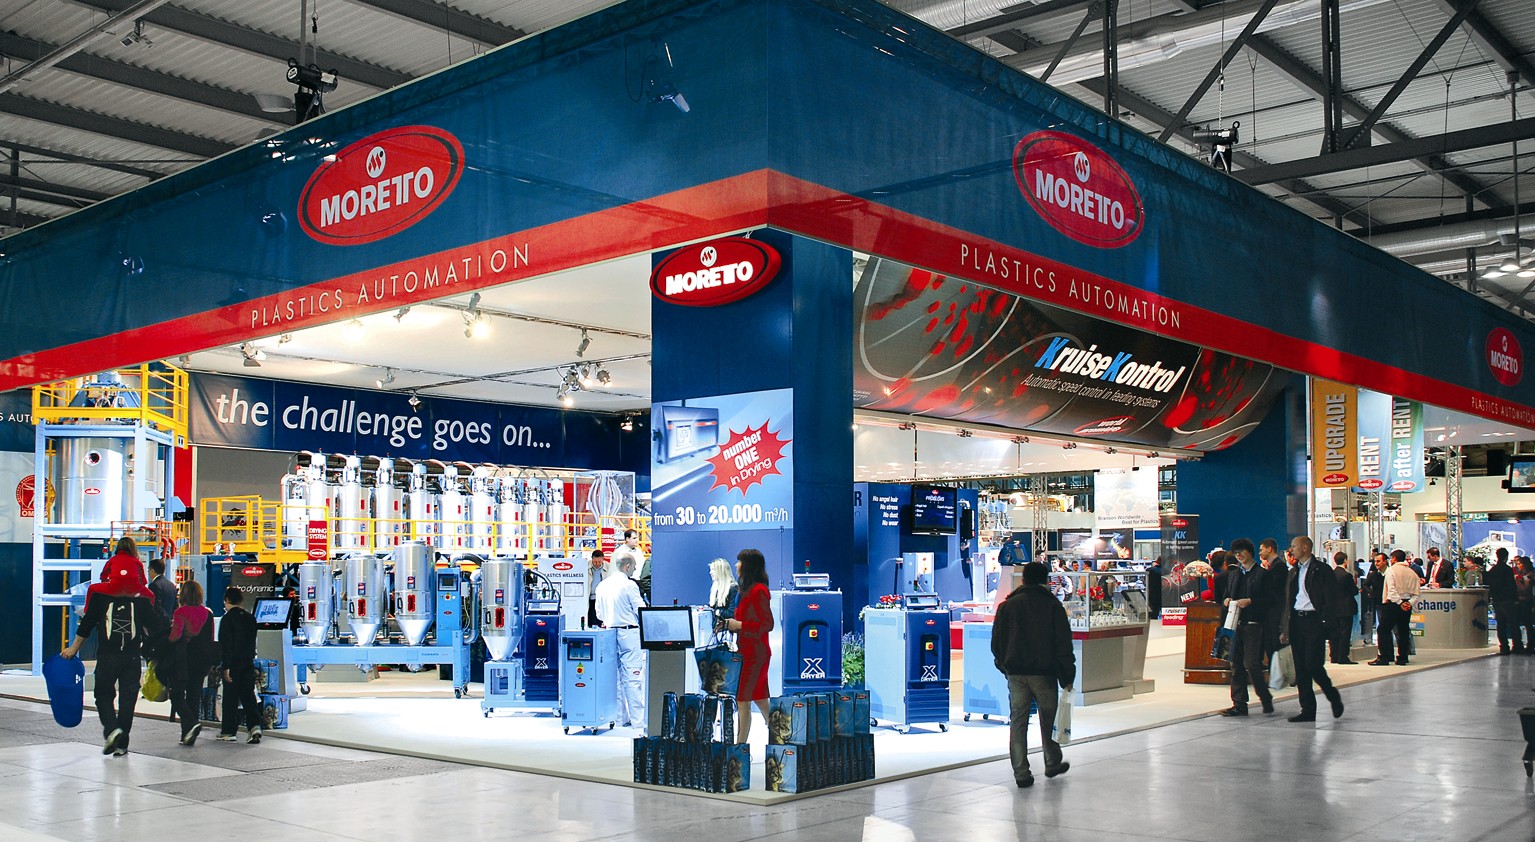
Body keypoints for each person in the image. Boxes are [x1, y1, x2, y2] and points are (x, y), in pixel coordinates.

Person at [60, 536, 167, 757]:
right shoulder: (141, 600)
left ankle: (112, 729)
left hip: (107, 655)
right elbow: (157, 627)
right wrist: (157, 651)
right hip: (132, 656)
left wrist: (73, 649)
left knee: (102, 694)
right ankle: (122, 744)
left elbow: (87, 625)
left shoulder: (100, 597)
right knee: (128, 699)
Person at [991, 561, 1074, 788]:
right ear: (1046, 580)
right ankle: (1052, 762)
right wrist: (1067, 676)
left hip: (1016, 673)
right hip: (1044, 673)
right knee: (1048, 720)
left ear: (1023, 580)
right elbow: (1063, 644)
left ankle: (1021, 773)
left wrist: (1005, 666)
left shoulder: (1007, 606)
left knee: (1018, 722)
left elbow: (997, 642)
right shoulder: (1052, 606)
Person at [1278, 536, 1344, 723]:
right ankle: (1307, 709)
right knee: (1300, 668)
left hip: (1314, 621)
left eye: (1294, 546)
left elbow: (1331, 598)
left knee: (1313, 665)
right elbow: (1288, 602)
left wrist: (1326, 621)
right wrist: (1285, 628)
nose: (1291, 549)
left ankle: (1332, 696)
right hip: (1296, 621)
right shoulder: (1294, 572)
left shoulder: (1321, 570)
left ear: (1305, 548)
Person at [721, 549, 773, 744]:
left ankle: (741, 746)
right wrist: (729, 624)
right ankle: (779, 737)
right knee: (756, 699)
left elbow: (767, 624)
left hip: (756, 654)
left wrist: (740, 625)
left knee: (746, 699)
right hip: (747, 652)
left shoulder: (759, 591)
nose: (736, 565)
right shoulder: (746, 591)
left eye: (740, 562)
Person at [1219, 538, 1275, 717]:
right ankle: (1239, 704)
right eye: (1236, 553)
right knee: (1235, 664)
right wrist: (1227, 600)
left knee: (1251, 664)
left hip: (1253, 625)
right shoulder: (1233, 574)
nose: (1239, 556)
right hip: (1233, 624)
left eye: (1242, 552)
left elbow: (1270, 600)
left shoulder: (1262, 574)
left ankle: (1265, 697)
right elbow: (1226, 595)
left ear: (1250, 552)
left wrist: (1251, 601)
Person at [595, 552, 647, 728]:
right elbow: (640, 610)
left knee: (614, 678)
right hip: (629, 634)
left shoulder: (602, 586)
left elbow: (599, 614)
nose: (634, 570)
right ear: (627, 566)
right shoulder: (629, 585)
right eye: (634, 567)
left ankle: (619, 718)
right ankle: (638, 721)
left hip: (608, 633)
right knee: (632, 677)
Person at [167, 580, 216, 746]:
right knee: (194, 696)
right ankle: (188, 735)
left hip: (183, 660)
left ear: (184, 595)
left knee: (176, 695)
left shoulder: (180, 612)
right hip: (202, 661)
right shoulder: (208, 614)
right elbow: (210, 638)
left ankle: (190, 723)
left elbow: (175, 636)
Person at [216, 587, 263, 744]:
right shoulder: (250, 618)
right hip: (248, 662)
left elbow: (225, 644)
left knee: (230, 698)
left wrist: (226, 666)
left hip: (233, 664)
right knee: (248, 696)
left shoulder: (227, 619)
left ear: (227, 600)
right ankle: (254, 726)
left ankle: (229, 731)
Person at [1369, 550, 1419, 666]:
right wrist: (1409, 603)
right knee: (1403, 631)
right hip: (1407, 604)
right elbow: (1417, 593)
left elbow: (1391, 590)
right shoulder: (1412, 572)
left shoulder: (1391, 571)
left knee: (1383, 630)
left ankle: (1383, 657)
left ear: (1395, 559)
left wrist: (1400, 602)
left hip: (1393, 604)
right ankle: (1403, 657)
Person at [1486, 547, 1520, 655]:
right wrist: (1515, 599)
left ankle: (1504, 647)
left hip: (1497, 600)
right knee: (1513, 624)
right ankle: (1517, 646)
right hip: (1508, 600)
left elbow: (1490, 585)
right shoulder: (1507, 570)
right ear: (1506, 557)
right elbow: (1511, 586)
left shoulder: (1493, 570)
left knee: (1501, 625)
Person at [1329, 552, 1359, 664]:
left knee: (1334, 633)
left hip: (1333, 608)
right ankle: (1343, 657)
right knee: (1345, 633)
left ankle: (1334, 656)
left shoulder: (1331, 574)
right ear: (1345, 560)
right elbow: (1354, 591)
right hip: (1346, 608)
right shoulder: (1346, 575)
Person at [707, 557, 740, 641]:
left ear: (721, 571)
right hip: (716, 633)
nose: (710, 572)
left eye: (713, 570)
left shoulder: (733, 588)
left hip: (727, 634)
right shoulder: (715, 589)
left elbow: (732, 613)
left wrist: (716, 611)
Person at [613, 529, 650, 602]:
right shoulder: (619, 552)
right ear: (627, 539)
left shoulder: (639, 552)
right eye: (634, 538)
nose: (637, 540)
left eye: (637, 538)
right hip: (625, 585)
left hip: (639, 584)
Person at [1361, 554, 1387, 641]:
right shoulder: (1374, 574)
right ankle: (1384, 646)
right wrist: (1372, 593)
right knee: (1382, 626)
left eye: (1378, 561)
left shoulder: (1391, 573)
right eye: (1375, 561)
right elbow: (1365, 584)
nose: (1376, 563)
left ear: (1385, 561)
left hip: (1392, 602)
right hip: (1379, 602)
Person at [1513, 557, 1534, 656]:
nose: (1518, 566)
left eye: (1519, 564)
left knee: (1528, 623)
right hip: (1520, 601)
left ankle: (1531, 645)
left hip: (1527, 601)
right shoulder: (1522, 575)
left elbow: (1526, 588)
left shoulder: (1529, 575)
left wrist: (1517, 581)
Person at [147, 558, 177, 624]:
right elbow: (175, 605)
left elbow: (156, 606)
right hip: (169, 623)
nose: (148, 573)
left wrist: (166, 620)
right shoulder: (171, 585)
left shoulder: (154, 585)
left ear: (152, 570)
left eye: (148, 571)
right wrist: (170, 620)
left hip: (158, 624)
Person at [586, 549, 607, 629]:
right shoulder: (585, 566)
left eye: (599, 562)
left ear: (603, 559)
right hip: (589, 598)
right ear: (592, 559)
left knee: (600, 620)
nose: (597, 564)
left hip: (601, 599)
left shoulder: (608, 568)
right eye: (595, 562)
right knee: (589, 620)